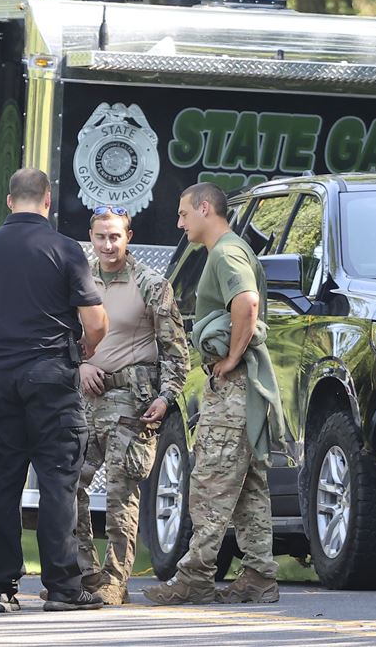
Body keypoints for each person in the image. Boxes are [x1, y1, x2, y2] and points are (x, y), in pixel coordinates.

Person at [0, 168, 109, 614]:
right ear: (47, 201)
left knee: (1, 484)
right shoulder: (64, 249)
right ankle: (62, 587)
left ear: (10, 201)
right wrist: (87, 348)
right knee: (58, 483)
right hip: (51, 380)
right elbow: (96, 320)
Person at [142, 182, 286, 606]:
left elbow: (247, 303)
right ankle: (259, 575)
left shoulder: (225, 252)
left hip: (235, 386)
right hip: (247, 390)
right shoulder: (230, 250)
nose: (180, 222)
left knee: (209, 483)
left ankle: (194, 577)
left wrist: (229, 359)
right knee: (247, 487)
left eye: (185, 213)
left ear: (206, 209)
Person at [71, 204, 188, 605]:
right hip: (84, 400)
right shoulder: (78, 280)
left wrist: (166, 397)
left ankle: (114, 582)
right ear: (91, 237)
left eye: (115, 236)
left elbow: (176, 351)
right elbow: (60, 336)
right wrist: (81, 365)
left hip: (131, 403)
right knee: (69, 486)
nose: (108, 244)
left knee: (123, 495)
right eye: (101, 236)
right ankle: (84, 574)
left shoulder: (152, 284)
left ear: (128, 237)